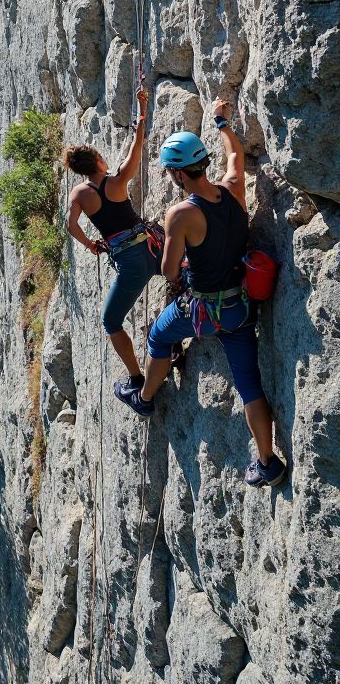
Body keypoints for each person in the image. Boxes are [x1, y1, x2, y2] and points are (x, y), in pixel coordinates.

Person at [115, 96, 287, 488]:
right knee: (249, 383)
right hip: (241, 307)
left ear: (177, 174)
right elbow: (236, 157)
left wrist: (174, 245)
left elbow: (168, 270)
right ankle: (267, 461)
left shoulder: (181, 214)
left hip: (204, 310)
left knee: (159, 334)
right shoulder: (232, 188)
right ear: (202, 163)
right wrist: (221, 121)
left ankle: (144, 397)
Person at [65, 85, 161, 389]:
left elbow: (71, 226)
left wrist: (91, 245)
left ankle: (136, 376)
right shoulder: (118, 180)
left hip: (129, 261)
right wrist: (141, 112)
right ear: (98, 161)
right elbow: (138, 145)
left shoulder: (79, 193)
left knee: (111, 322)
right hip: (152, 247)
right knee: (182, 270)